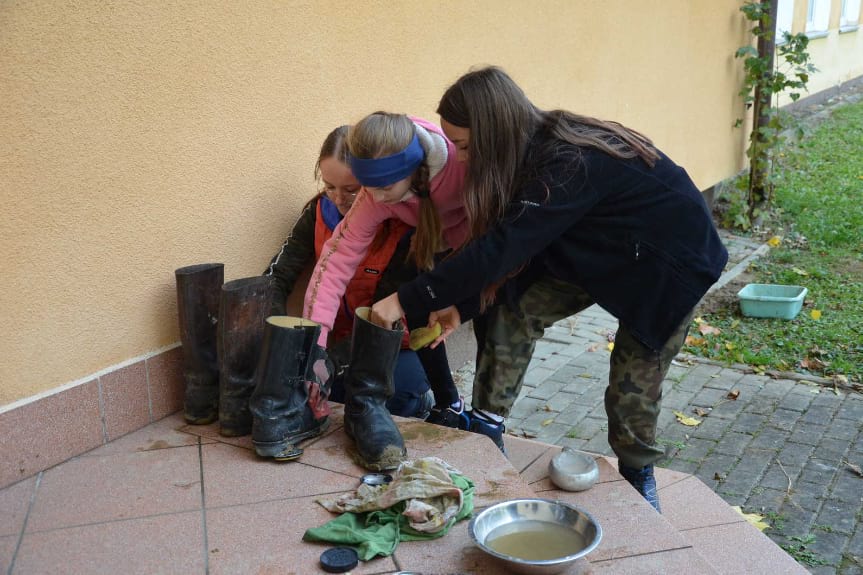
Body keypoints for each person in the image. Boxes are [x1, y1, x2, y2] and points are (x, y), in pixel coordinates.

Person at [370, 66, 729, 512]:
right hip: (596, 251)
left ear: (495, 131)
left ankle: (639, 474)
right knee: (510, 309)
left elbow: (499, 249)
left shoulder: (565, 162)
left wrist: (405, 300)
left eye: (463, 146)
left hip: (667, 265)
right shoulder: (527, 151)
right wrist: (461, 307)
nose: (460, 159)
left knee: (631, 385)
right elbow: (517, 250)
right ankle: (487, 430)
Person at [302, 113, 469, 428]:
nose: (374, 198)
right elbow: (334, 264)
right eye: (366, 188)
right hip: (424, 256)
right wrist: (315, 345)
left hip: (471, 253)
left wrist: (461, 298)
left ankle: (460, 407)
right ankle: (444, 401)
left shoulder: (461, 169)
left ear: (411, 170)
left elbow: (495, 240)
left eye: (384, 187)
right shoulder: (376, 194)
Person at [265, 125, 433, 420]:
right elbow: (276, 278)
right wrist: (281, 343)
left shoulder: (401, 226)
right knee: (310, 389)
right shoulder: (318, 211)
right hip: (335, 340)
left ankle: (423, 399)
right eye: (329, 186)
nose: (338, 199)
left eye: (351, 189)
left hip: (390, 342)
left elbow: (378, 316)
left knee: (396, 391)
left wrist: (330, 362)